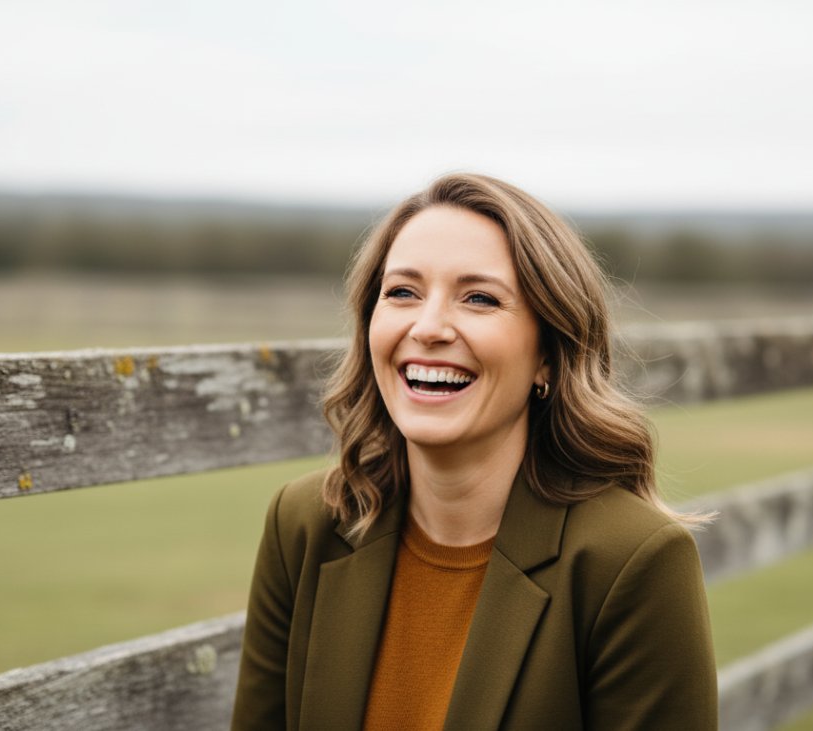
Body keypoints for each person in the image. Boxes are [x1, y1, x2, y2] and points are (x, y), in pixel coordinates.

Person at [232, 173, 716, 730]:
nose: (429, 327)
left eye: (479, 298)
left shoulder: (634, 560)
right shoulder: (303, 524)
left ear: (548, 355)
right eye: (402, 292)